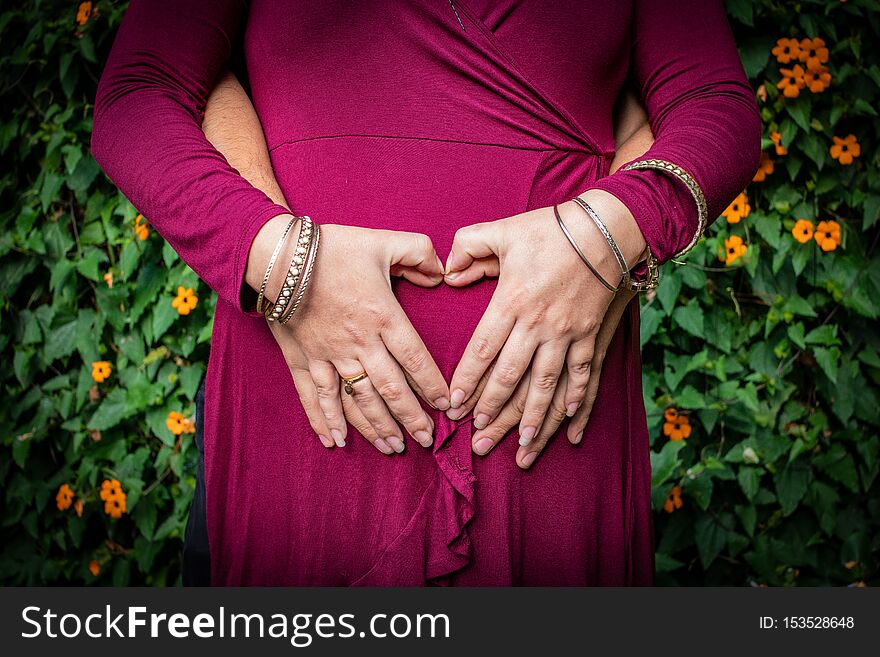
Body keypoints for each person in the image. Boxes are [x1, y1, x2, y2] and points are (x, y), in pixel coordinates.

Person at [92, 0, 761, 586]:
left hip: (548, 429)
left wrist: (609, 235)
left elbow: (715, 106)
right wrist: (287, 268)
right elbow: (140, 94)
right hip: (308, 421)